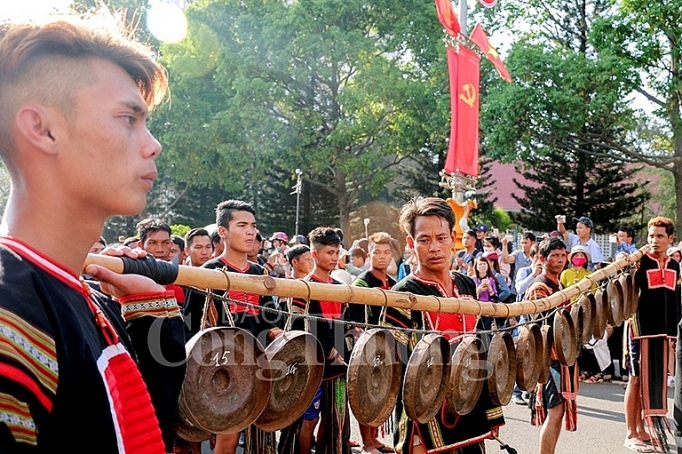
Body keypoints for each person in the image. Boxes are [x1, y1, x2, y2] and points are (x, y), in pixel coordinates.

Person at [0, 15, 186, 452]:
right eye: (127, 119)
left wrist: (151, 314)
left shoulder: (89, 297)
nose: (153, 143)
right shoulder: (10, 310)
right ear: (43, 129)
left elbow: (135, 435)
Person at [384, 198, 504, 454]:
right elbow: (394, 371)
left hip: (468, 403)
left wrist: (492, 413)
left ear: (453, 238)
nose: (434, 247)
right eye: (424, 240)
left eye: (440, 238)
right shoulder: (403, 295)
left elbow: (480, 347)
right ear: (411, 244)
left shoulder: (466, 285)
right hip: (426, 416)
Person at [183, 200, 283, 454]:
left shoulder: (260, 271)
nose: (251, 232)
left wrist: (277, 333)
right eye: (242, 225)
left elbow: (268, 316)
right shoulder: (209, 272)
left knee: (261, 433)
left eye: (253, 226)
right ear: (223, 232)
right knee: (228, 435)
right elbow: (194, 325)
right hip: (223, 365)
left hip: (257, 360)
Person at [285, 227, 349, 454]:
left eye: (337, 252)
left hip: (339, 366)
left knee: (334, 421)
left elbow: (344, 325)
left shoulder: (341, 289)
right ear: (315, 254)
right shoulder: (302, 289)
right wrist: (329, 352)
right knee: (308, 419)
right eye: (330, 252)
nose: (334, 258)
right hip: (313, 366)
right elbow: (296, 330)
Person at [625, 217, 680, 453]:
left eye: (659, 236)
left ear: (670, 239)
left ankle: (644, 430)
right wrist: (625, 262)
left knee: (652, 381)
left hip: (663, 333)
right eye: (651, 236)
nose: (654, 241)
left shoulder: (675, 266)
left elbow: (675, 302)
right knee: (636, 379)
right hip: (640, 331)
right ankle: (631, 433)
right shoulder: (639, 262)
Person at [345, 232, 397, 454]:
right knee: (366, 394)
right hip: (366, 347)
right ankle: (367, 443)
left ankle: (375, 439)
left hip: (388, 348)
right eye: (377, 252)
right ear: (369, 255)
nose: (382, 257)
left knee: (382, 393)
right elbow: (350, 319)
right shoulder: (362, 282)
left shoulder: (394, 284)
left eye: (387, 252)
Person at [525, 237, 575, 454]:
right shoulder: (540, 288)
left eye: (563, 255)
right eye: (554, 256)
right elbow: (540, 327)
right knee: (555, 410)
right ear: (542, 259)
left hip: (560, 356)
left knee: (559, 410)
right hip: (549, 357)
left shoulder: (560, 285)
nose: (560, 260)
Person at [501, 232, 536, 301]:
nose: (523, 245)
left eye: (525, 243)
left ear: (532, 243)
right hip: (516, 291)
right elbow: (506, 260)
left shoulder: (537, 256)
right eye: (521, 243)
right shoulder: (518, 254)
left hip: (532, 291)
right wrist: (505, 245)